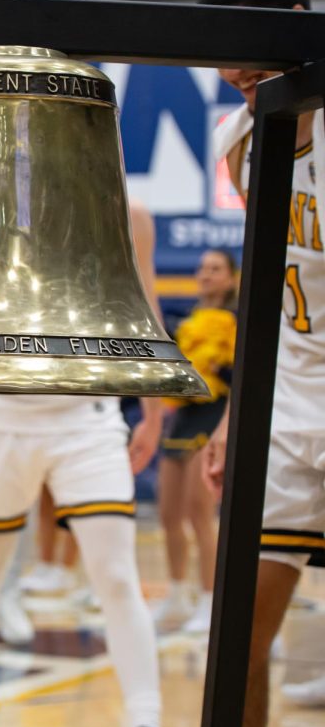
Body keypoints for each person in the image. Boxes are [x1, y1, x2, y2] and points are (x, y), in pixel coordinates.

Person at [0, 202, 176, 727]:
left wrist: (151, 404)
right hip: (0, 413)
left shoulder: (130, 214)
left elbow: (143, 301)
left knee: (117, 575)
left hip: (87, 414)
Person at [196, 0, 322, 727]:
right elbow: (268, 286)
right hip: (286, 409)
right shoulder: (236, 137)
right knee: (235, 641)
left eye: (251, 60)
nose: (238, 77)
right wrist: (238, 411)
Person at [152, 248, 236, 633]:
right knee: (169, 514)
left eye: (216, 269)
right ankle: (177, 593)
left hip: (213, 419)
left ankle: (210, 599)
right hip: (182, 418)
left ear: (232, 277)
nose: (207, 274)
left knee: (201, 515)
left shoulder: (239, 322)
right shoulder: (184, 322)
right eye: (203, 268)